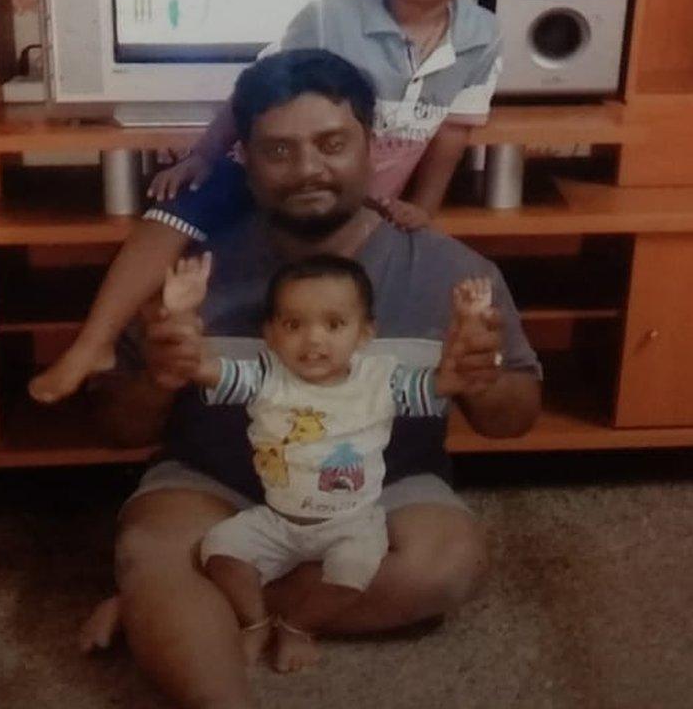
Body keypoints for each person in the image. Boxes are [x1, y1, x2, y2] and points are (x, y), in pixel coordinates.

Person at [82, 49, 541, 709]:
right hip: (217, 486)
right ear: (243, 157)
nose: (308, 171)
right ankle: (186, 616)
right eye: (279, 151)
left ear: (371, 145)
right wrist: (158, 377)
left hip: (381, 493)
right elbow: (116, 431)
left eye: (332, 144)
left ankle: (176, 605)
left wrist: (480, 380)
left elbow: (513, 419)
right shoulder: (188, 274)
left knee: (444, 566)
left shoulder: (451, 273)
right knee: (154, 544)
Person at [29, 0, 500, 405]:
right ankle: (94, 344)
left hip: (359, 187)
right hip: (270, 167)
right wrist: (205, 154)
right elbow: (254, 95)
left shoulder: (482, 36)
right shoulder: (328, 18)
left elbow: (452, 131)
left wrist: (426, 206)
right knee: (171, 216)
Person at [156, 250, 496, 673]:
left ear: (365, 333)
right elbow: (199, 366)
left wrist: (468, 325)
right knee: (219, 552)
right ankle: (255, 620)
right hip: (276, 518)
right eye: (294, 325)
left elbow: (448, 380)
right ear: (271, 334)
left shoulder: (381, 380)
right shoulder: (265, 376)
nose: (314, 340)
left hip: (353, 523)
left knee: (354, 575)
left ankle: (297, 626)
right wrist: (180, 313)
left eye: (334, 325)